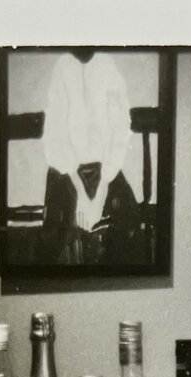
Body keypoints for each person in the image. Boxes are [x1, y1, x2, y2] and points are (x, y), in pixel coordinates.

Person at [41, 50, 136, 264]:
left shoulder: (107, 65)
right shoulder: (63, 67)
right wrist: (82, 196)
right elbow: (55, 136)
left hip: (105, 173)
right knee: (60, 234)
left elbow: (120, 129)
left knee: (127, 224)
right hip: (68, 173)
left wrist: (101, 191)